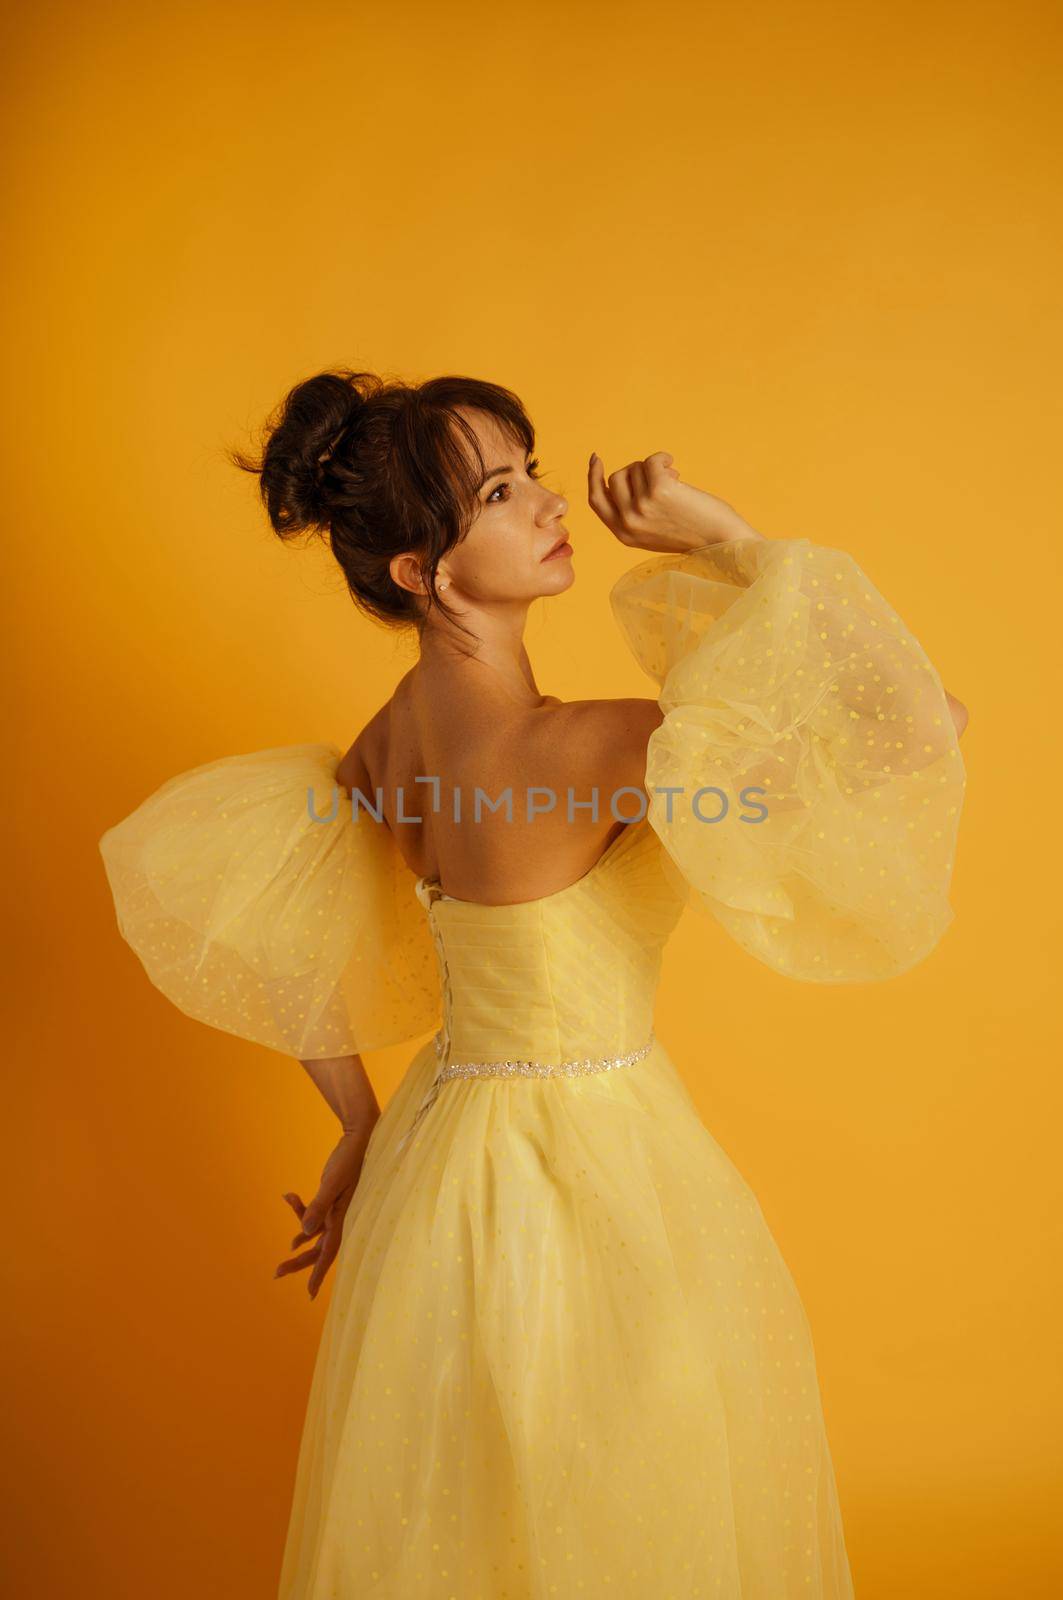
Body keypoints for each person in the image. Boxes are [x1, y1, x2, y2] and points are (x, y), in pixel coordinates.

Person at [98, 367, 968, 1599]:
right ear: (425, 573)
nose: (552, 503)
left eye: (529, 469)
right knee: (622, 1513)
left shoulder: (395, 737)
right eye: (502, 493)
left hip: (438, 1165)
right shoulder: (590, 749)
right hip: (594, 1167)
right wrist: (721, 536)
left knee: (469, 1515)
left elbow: (286, 932)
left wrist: (356, 1126)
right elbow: (918, 719)